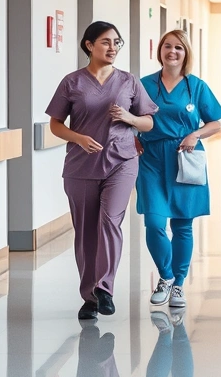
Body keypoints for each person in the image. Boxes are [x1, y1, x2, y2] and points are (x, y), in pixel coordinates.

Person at [47, 21, 158, 321]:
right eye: (106, 42)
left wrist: (130, 118)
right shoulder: (72, 82)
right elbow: (55, 124)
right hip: (81, 165)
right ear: (89, 45)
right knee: (86, 231)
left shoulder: (129, 81)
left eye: (117, 43)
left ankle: (105, 288)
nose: (112, 48)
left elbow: (148, 121)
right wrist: (78, 137)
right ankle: (89, 296)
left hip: (122, 161)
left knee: (110, 221)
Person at [137, 30, 221, 308]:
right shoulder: (144, 84)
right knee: (154, 222)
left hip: (185, 157)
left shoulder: (195, 86)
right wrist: (133, 140)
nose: (172, 51)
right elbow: (128, 119)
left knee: (183, 224)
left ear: (186, 53)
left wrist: (196, 134)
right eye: (167, 46)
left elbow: (216, 123)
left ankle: (178, 285)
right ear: (159, 50)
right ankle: (165, 276)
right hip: (151, 157)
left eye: (178, 47)